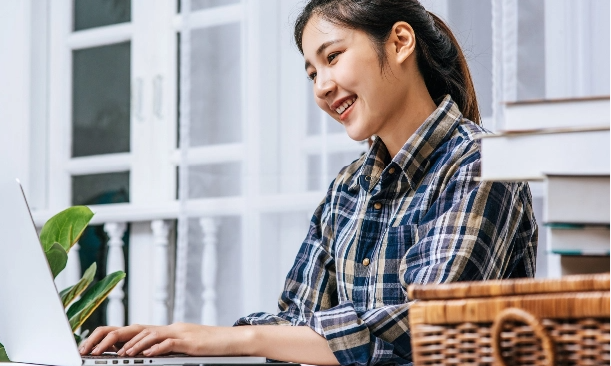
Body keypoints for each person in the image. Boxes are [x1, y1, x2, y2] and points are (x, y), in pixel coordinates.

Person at [78, 0, 538, 364]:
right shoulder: (348, 188)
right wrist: (189, 337)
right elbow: (297, 319)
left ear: (399, 42)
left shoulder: (483, 163)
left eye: (333, 57)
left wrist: (234, 340)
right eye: (312, 73)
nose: (321, 86)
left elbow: (425, 327)